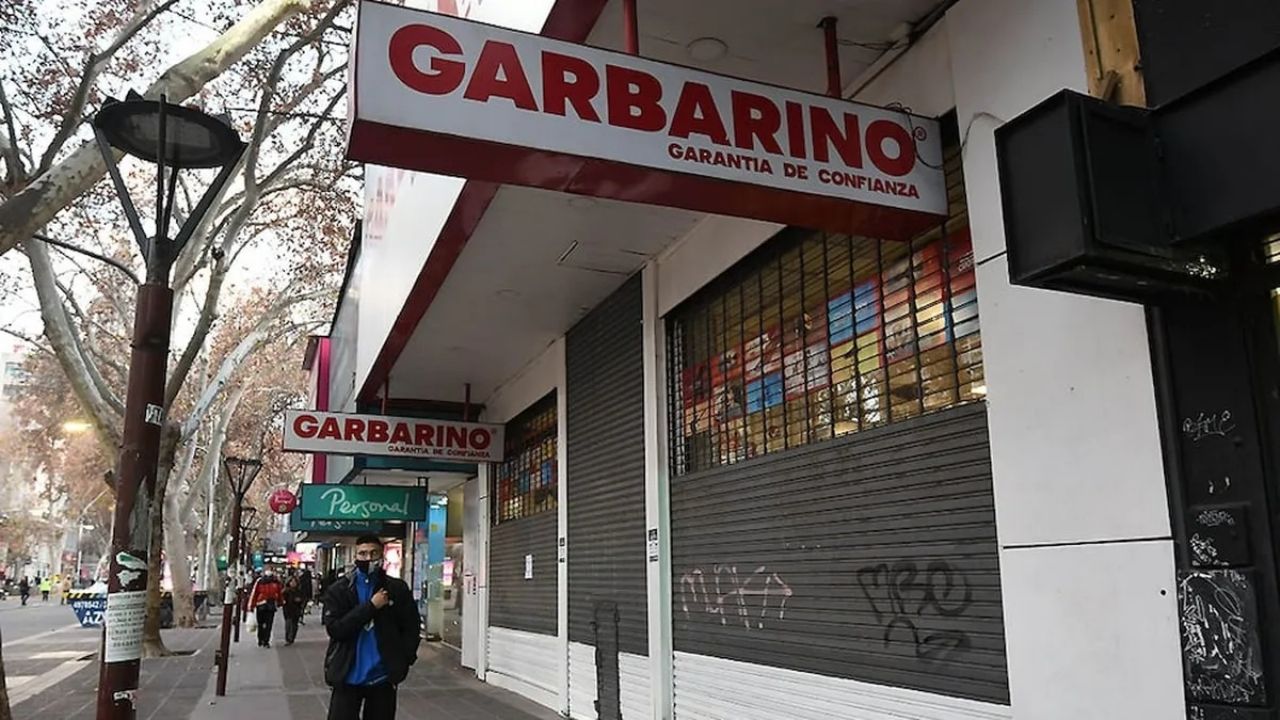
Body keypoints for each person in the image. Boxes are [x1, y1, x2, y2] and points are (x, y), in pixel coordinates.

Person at [322, 536, 420, 720]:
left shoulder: (397, 589)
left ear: (382, 555)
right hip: (347, 675)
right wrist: (371, 606)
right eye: (363, 553)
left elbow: (411, 627)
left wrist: (404, 659)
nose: (368, 558)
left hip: (382, 677)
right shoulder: (340, 590)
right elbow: (336, 629)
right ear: (355, 556)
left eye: (374, 553)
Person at [246, 571, 284, 648]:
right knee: (261, 624)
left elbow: (279, 593)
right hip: (261, 605)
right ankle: (261, 639)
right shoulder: (260, 581)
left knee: (269, 624)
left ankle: (266, 641)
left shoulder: (275, 582)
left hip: (270, 605)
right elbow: (255, 593)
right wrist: (251, 605)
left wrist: (280, 601)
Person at [281, 575, 305, 645]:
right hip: (288, 609)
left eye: (295, 582)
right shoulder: (285, 591)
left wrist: (300, 601)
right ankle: (288, 638)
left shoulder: (299, 591)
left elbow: (302, 599)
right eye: (291, 582)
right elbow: (282, 600)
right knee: (288, 624)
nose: (293, 583)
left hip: (296, 609)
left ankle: (292, 637)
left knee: (294, 624)